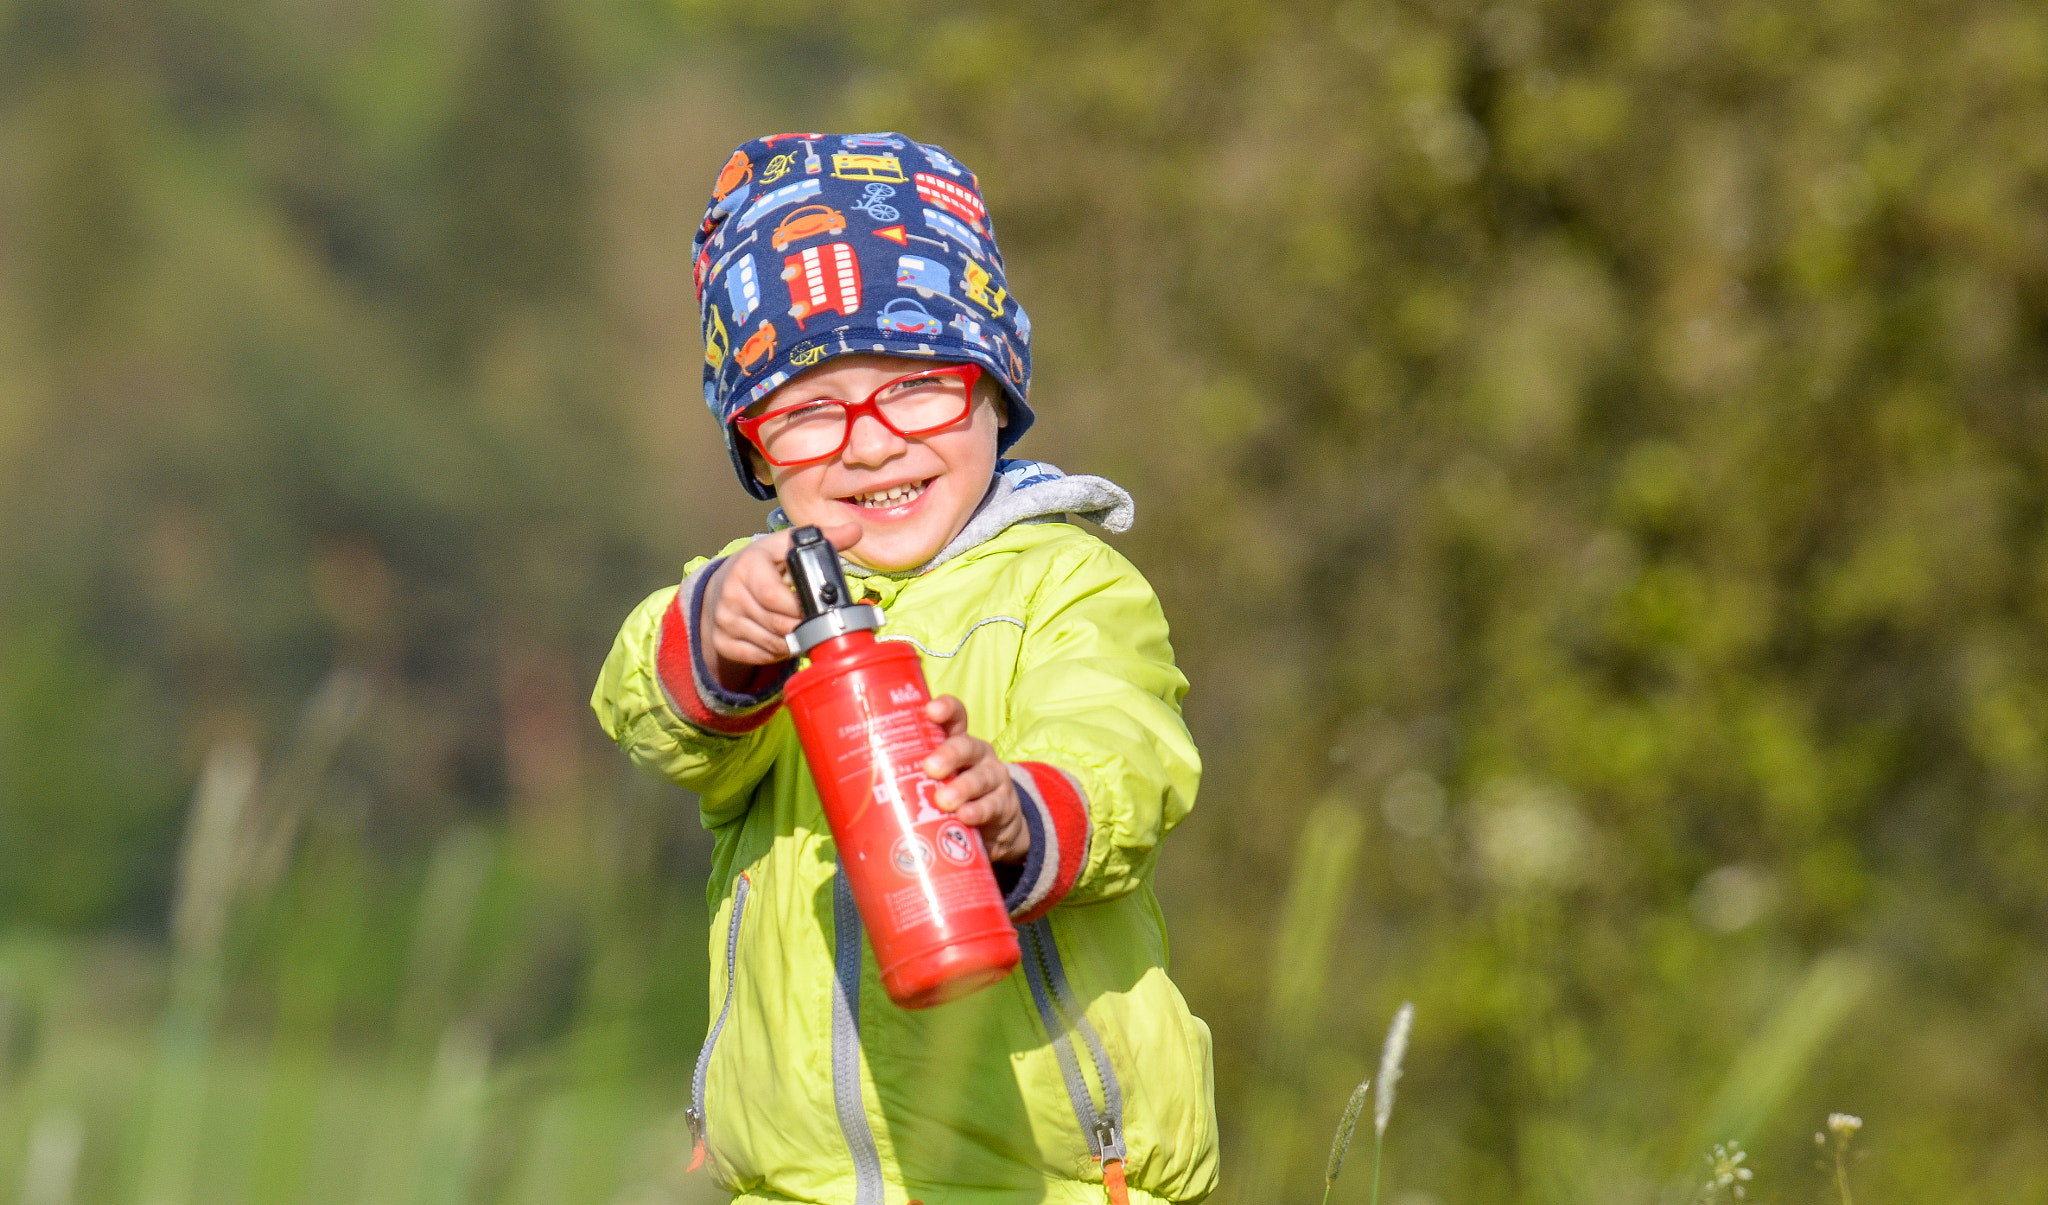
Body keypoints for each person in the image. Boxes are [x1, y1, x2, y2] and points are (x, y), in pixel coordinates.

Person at [591, 132, 1218, 1205]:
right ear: (754, 452)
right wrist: (714, 631)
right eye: (809, 412)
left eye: (915, 389)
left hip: (1046, 1175)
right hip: (796, 1182)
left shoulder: (1069, 583)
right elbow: (643, 707)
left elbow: (1127, 753)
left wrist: (1019, 808)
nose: (870, 445)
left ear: (990, 390)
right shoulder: (766, 608)